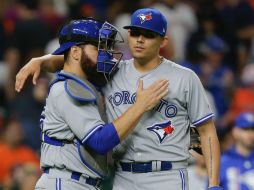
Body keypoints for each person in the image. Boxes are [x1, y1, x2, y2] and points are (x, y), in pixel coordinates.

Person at [15, 8, 222, 190]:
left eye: (148, 35)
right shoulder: (111, 70)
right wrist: (41, 61)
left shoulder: (184, 78)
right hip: (123, 177)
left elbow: (207, 132)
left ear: (163, 41)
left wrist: (213, 184)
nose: (139, 39)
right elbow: (75, 58)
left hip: (167, 175)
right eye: (135, 33)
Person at [16, 18, 169, 190]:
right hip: (65, 182)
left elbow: (72, 60)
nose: (107, 54)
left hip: (78, 183)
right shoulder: (66, 90)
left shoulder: (85, 82)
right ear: (75, 52)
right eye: (98, 48)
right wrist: (140, 106)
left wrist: (42, 61)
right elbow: (99, 141)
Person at [220, 112, 254, 190]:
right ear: (235, 131)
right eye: (245, 129)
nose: (250, 133)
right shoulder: (222, 162)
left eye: (253, 129)